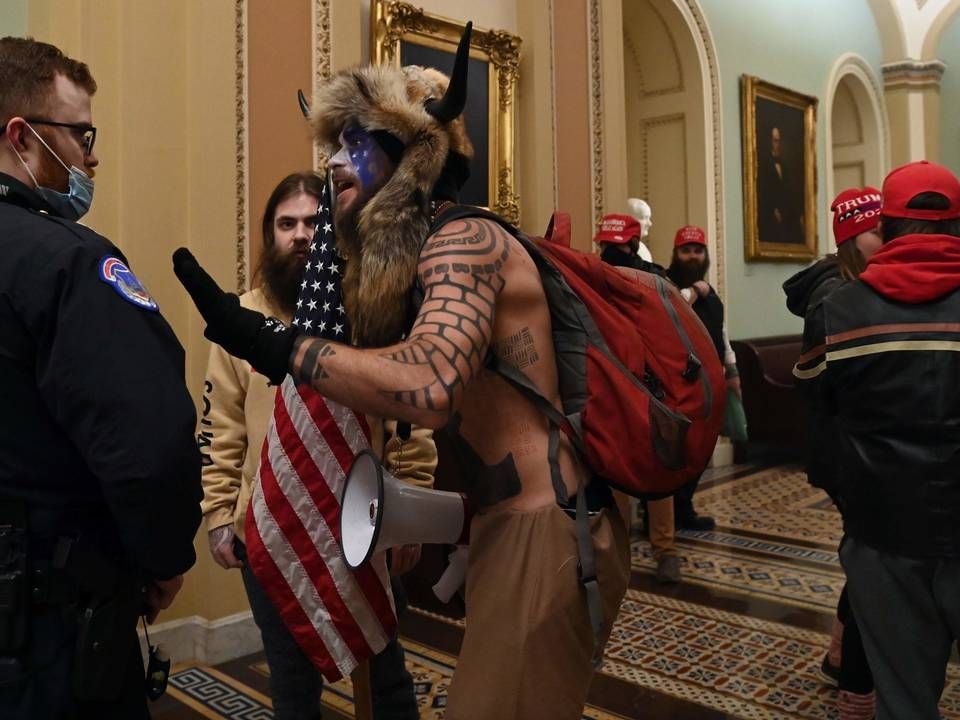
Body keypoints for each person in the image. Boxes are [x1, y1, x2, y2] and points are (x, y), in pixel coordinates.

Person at [174, 29, 630, 720]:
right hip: (509, 525)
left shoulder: (465, 241)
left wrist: (278, 345)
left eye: (355, 144)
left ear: (413, 156)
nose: (333, 164)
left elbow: (431, 384)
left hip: (547, 529)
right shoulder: (425, 257)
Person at [0, 37, 201, 718]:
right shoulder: (70, 265)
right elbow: (151, 448)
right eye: (81, 134)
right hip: (45, 637)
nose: (92, 156)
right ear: (22, 138)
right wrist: (164, 557)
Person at [199, 171, 434, 720]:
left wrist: (412, 516)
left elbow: (408, 419)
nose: (301, 235)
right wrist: (217, 514)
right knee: (292, 688)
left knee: (388, 683)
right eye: (287, 224)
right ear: (269, 235)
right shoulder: (242, 317)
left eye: (312, 222)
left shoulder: (366, 313)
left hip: (364, 531)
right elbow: (220, 429)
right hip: (271, 533)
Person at [794, 160, 960, 719]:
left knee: (903, 701)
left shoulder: (838, 310)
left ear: (885, 228)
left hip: (884, 533)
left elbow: (821, 408)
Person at [784, 186, 882, 720]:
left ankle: (841, 653)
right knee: (868, 559)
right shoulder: (832, 297)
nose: (885, 241)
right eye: (876, 232)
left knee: (863, 555)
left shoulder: (856, 285)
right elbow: (822, 385)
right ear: (851, 239)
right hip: (847, 454)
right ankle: (854, 689)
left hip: (855, 452)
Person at [593, 214, 679, 584]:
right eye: (606, 247)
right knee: (617, 473)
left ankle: (665, 549)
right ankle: (620, 548)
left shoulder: (656, 280)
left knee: (658, 472)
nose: (610, 253)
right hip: (612, 389)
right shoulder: (592, 279)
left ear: (631, 245)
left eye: (616, 247)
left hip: (651, 390)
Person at [666, 226, 740, 531]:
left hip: (707, 388)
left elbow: (722, 336)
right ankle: (664, 515)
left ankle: (683, 509)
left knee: (699, 450)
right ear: (676, 254)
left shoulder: (713, 298)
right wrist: (695, 291)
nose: (693, 256)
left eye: (698, 251)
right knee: (674, 453)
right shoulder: (665, 286)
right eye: (686, 251)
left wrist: (732, 372)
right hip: (673, 387)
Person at [757, 126, 803, 245]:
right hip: (771, 213)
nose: (777, 144)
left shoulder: (783, 164)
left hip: (786, 211)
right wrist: (773, 209)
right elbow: (764, 191)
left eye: (778, 140)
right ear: (770, 141)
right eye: (774, 140)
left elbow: (789, 190)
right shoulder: (764, 163)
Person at [626, 197, 655, 263]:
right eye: (644, 218)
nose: (650, 224)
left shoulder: (642, 248)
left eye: (649, 218)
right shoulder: (622, 250)